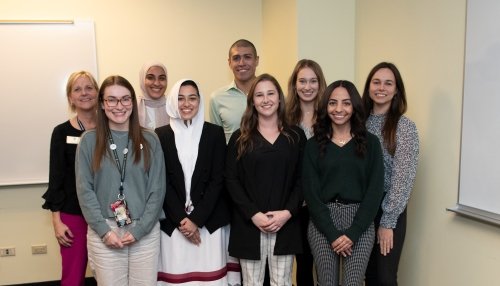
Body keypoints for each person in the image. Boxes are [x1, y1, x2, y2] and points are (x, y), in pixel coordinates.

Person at [76, 75, 166, 285]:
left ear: (133, 103)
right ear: (102, 104)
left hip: (144, 229)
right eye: (112, 99)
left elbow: (157, 189)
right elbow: (84, 190)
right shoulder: (89, 141)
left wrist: (140, 230)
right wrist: (105, 232)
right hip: (105, 230)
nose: (119, 106)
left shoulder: (150, 139)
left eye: (125, 99)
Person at [156, 79, 241, 285]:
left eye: (192, 98)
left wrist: (196, 220)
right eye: (180, 98)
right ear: (173, 102)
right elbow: (161, 182)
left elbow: (217, 180)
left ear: (199, 101)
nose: (186, 103)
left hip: (208, 222)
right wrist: (183, 221)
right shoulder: (160, 135)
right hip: (174, 223)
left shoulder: (214, 133)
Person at [226, 73, 306, 286]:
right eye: (259, 95)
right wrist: (253, 214)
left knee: (282, 281)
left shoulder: (295, 136)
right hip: (250, 224)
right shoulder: (240, 138)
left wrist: (287, 213)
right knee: (252, 282)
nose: (266, 99)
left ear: (280, 98)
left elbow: (303, 179)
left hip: (285, 224)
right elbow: (231, 180)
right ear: (252, 101)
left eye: (271, 93)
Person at [303, 80, 384, 285]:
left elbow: (374, 192)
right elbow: (311, 193)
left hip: (361, 221)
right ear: (325, 106)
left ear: (354, 106)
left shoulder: (371, 143)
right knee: (326, 282)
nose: (339, 109)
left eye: (346, 103)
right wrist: (332, 233)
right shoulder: (313, 145)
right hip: (323, 222)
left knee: (353, 283)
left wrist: (353, 233)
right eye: (332, 103)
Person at [363, 62, 419, 286]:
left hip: (390, 210)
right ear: (368, 86)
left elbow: (402, 179)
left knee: (386, 278)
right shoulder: (358, 123)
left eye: (388, 83)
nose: (381, 88)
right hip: (363, 208)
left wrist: (387, 222)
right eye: (376, 82)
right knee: (369, 275)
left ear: (396, 90)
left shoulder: (404, 127)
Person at [42, 71, 98, 286]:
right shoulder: (61, 132)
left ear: (97, 92)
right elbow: (55, 179)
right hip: (73, 215)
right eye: (77, 89)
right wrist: (57, 222)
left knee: (110, 275)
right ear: (70, 98)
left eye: (89, 87)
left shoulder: (111, 128)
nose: (84, 93)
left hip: (106, 215)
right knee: (73, 278)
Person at [285, 59, 327, 286]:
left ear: (320, 85)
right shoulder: (285, 119)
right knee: (302, 264)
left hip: (323, 203)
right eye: (302, 81)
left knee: (324, 264)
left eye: (313, 81)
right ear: (294, 84)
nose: (307, 87)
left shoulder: (331, 118)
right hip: (295, 204)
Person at [210, 39, 259, 143]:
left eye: (247, 57)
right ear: (229, 63)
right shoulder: (217, 98)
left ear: (256, 60)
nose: (241, 63)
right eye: (236, 58)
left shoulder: (271, 95)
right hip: (233, 158)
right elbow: (217, 141)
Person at [138, 61, 169, 129]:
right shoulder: (131, 108)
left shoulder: (174, 107)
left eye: (162, 78)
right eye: (150, 78)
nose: (157, 83)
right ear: (142, 79)